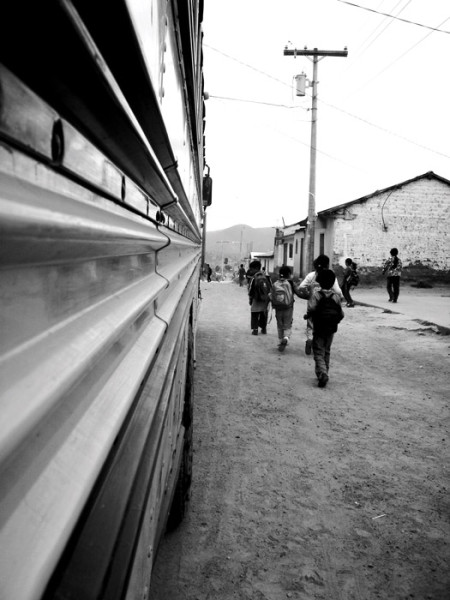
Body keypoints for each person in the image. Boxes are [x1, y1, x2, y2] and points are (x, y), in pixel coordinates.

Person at [304, 269, 344, 388]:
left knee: (318, 351)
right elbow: (341, 314)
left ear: (320, 282)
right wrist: (335, 321)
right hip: (331, 328)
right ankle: (325, 371)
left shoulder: (316, 295)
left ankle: (322, 373)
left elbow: (311, 309)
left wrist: (308, 316)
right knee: (327, 350)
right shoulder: (336, 297)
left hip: (319, 327)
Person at [298, 254, 343, 355]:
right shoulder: (330, 275)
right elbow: (338, 291)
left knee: (310, 324)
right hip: (326, 306)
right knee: (322, 326)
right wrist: (340, 297)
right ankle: (321, 347)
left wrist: (308, 294)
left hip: (312, 304)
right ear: (327, 264)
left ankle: (309, 339)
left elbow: (301, 287)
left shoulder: (311, 275)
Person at [270, 265, 303, 352]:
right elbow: (299, 293)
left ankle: (281, 340)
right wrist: (308, 296)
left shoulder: (275, 283)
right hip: (288, 307)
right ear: (288, 274)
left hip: (278, 308)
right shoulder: (291, 283)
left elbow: (271, 295)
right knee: (287, 324)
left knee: (280, 324)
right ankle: (286, 337)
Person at [248, 266, 271, 335]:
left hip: (256, 299)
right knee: (264, 313)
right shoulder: (267, 277)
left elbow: (250, 290)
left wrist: (250, 299)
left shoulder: (254, 278)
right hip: (265, 299)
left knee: (254, 313)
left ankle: (255, 330)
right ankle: (264, 329)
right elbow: (270, 287)